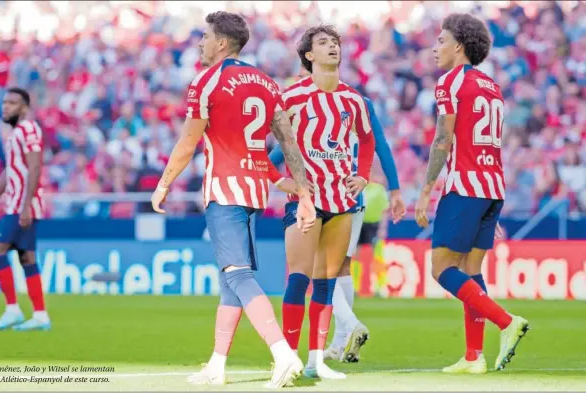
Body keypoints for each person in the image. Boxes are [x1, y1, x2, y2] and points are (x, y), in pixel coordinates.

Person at [149, 11, 316, 388]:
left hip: (224, 188)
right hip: (255, 190)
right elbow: (288, 142)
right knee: (231, 281)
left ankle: (283, 353)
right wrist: (302, 191)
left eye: (205, 37)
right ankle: (217, 365)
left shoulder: (206, 82)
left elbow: (189, 140)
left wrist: (164, 183)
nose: (200, 43)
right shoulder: (266, 82)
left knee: (237, 276)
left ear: (222, 43)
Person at [414, 13, 529, 374]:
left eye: (441, 41)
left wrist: (426, 188)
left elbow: (444, 138)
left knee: (441, 268)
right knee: (471, 269)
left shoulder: (450, 82)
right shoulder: (491, 85)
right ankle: (472, 356)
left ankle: (506, 321)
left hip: (465, 185)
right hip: (493, 185)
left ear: (459, 46)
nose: (436, 48)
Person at [268, 95, 405, 364]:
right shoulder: (360, 102)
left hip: (321, 197)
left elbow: (275, 155)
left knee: (319, 272)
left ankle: (350, 325)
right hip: (355, 197)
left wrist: (275, 178)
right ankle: (341, 341)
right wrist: (395, 188)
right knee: (341, 268)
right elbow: (380, 146)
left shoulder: (303, 101)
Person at [278, 25, 375, 380]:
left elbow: (367, 140)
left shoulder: (353, 99)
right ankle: (287, 358)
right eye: (323, 43)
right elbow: (256, 141)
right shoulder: (292, 97)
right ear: (309, 55)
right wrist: (278, 179)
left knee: (326, 284)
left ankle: (315, 361)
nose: (332, 47)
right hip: (305, 200)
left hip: (341, 201)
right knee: (298, 280)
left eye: (335, 42)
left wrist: (363, 175)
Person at [0, 87, 50, 331]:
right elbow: (10, 171)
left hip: (22, 205)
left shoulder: (28, 129)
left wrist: (27, 206)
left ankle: (13, 310)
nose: (5, 106)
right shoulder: (15, 133)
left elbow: (35, 168)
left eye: (12, 103)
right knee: (26, 258)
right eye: (5, 102)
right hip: (15, 203)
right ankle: (40, 315)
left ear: (24, 108)